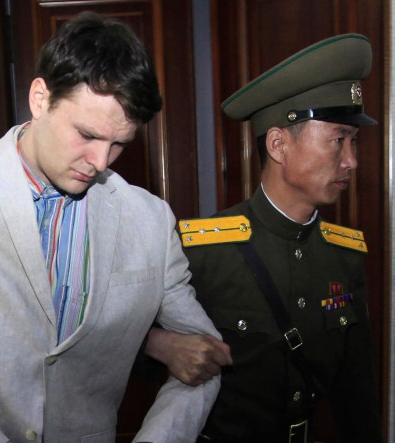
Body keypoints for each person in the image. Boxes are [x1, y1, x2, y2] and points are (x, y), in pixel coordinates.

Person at [0, 12, 222, 442]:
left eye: (119, 143)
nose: (101, 162)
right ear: (40, 98)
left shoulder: (151, 219)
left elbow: (205, 357)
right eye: (86, 134)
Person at [147, 34, 383, 442]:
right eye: (337, 140)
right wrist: (160, 344)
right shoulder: (202, 250)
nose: (352, 161)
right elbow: (113, 343)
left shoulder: (344, 254)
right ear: (278, 144)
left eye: (354, 141)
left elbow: (355, 390)